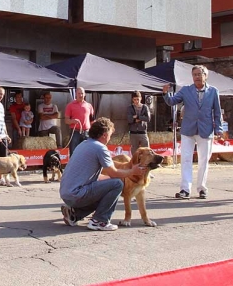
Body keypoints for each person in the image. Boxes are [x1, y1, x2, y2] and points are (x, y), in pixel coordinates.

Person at [59, 117, 148, 231]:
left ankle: (74, 214)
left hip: (66, 193)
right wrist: (132, 171)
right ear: (105, 134)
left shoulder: (84, 144)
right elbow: (113, 173)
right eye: (110, 134)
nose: (110, 137)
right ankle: (100, 221)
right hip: (77, 195)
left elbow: (97, 177)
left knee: (108, 188)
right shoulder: (100, 148)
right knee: (117, 184)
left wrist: (110, 180)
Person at [162, 65, 223, 199]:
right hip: (188, 130)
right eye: (194, 74)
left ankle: (202, 188)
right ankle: (185, 189)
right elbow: (172, 101)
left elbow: (217, 112)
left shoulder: (213, 91)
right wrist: (165, 94)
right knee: (186, 159)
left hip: (206, 130)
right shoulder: (186, 90)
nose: (196, 77)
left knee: (203, 160)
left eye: (199, 74)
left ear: (205, 76)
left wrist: (219, 128)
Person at [65, 87, 94, 155]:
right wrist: (73, 121)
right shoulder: (70, 105)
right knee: (74, 153)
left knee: (87, 153)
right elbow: (66, 121)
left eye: (82, 93)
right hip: (75, 132)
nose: (80, 95)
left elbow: (92, 121)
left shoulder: (89, 106)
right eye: (79, 93)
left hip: (86, 133)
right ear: (75, 94)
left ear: (85, 94)